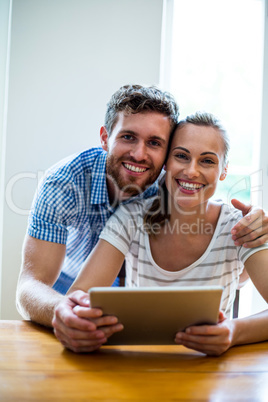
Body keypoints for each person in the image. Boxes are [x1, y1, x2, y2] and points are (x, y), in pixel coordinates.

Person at [16, 84, 267, 342]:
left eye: (154, 143)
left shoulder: (173, 185)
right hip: (63, 289)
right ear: (105, 137)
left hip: (133, 293)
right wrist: (62, 310)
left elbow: (230, 263)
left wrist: (253, 228)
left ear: (165, 154)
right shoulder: (64, 184)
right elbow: (32, 284)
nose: (139, 154)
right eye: (128, 137)